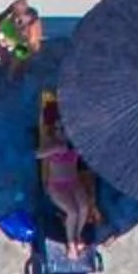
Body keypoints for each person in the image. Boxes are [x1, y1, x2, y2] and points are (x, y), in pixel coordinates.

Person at [36, 92, 102, 249]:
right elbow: (37, 154)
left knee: (84, 208)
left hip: (74, 182)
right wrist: (55, 149)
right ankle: (71, 243)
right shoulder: (53, 143)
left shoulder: (73, 143)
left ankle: (77, 237)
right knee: (73, 212)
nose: (62, 132)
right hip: (57, 186)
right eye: (59, 129)